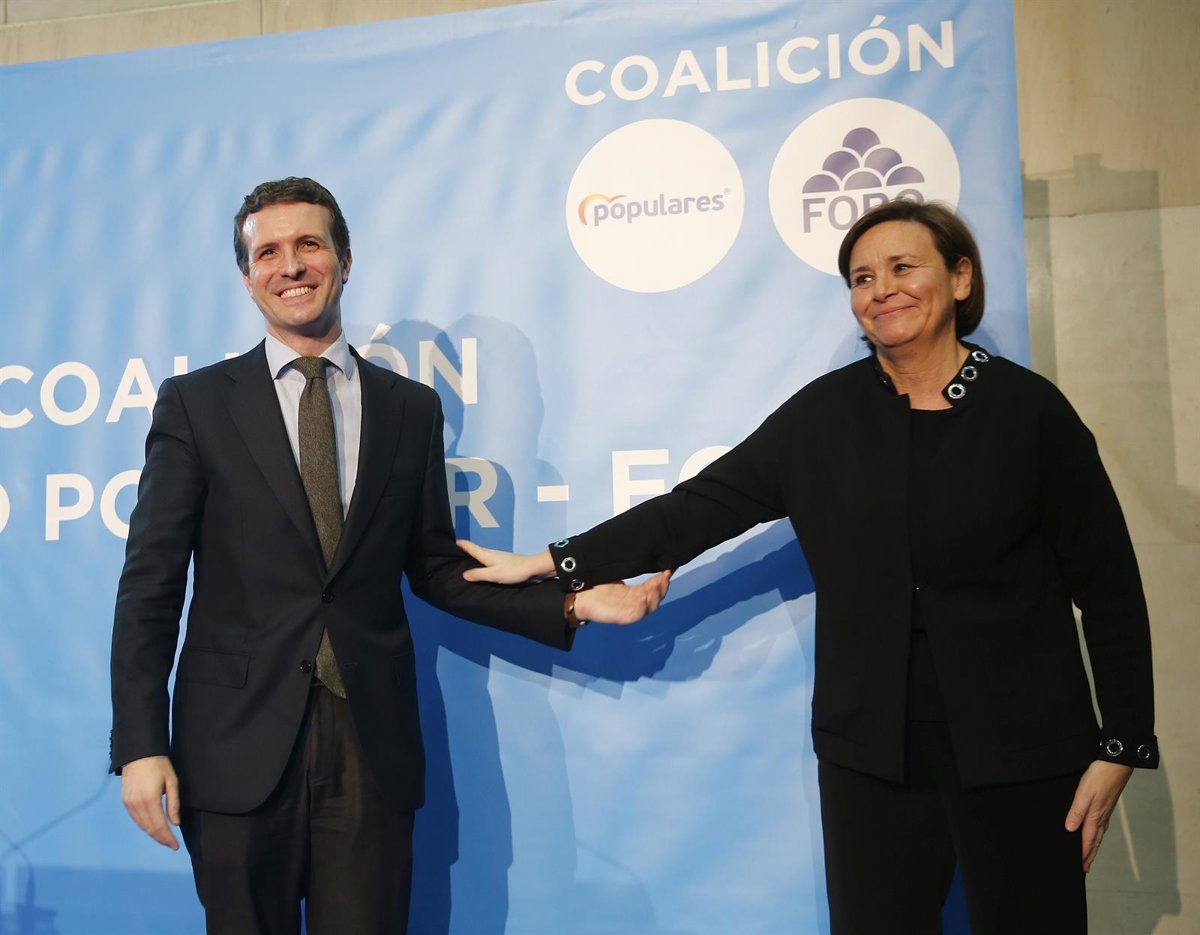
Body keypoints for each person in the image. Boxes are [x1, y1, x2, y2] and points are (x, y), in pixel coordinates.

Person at [459, 199, 1158, 934]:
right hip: (872, 759)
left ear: (960, 278)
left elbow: (1110, 587)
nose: (881, 289)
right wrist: (552, 562)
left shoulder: (1032, 414)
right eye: (862, 278)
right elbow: (694, 510)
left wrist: (1121, 744)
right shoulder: (825, 417)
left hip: (1025, 749)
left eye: (902, 267)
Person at [109, 176, 669, 935]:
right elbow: (150, 584)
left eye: (309, 244)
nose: (290, 265)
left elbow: (436, 569)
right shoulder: (196, 404)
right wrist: (141, 744)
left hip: (370, 747)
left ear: (344, 260)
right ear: (247, 278)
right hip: (234, 743)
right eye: (268, 253)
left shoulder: (409, 409)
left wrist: (571, 602)